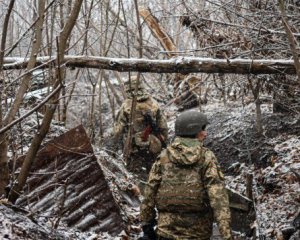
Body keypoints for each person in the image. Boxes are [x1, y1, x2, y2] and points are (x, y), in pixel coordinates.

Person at [140, 110, 232, 240]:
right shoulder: (206, 158)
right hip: (198, 234)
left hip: (166, 232)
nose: (205, 133)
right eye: (202, 129)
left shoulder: (163, 157)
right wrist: (226, 234)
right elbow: (218, 198)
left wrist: (146, 225)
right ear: (193, 131)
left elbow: (149, 192)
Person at [113, 76, 168, 182]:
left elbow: (118, 130)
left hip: (134, 150)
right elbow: (163, 127)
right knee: (155, 176)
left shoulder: (127, 105)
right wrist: (163, 142)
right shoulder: (153, 103)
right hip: (153, 147)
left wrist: (114, 150)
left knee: (136, 179)